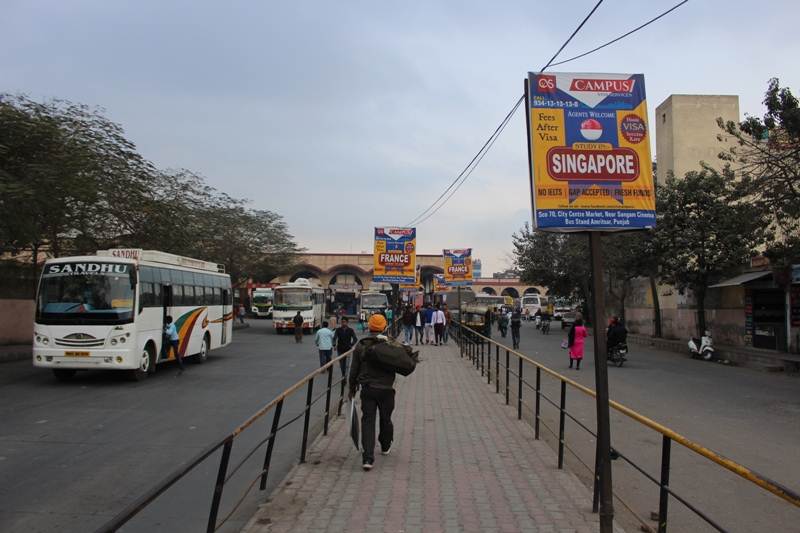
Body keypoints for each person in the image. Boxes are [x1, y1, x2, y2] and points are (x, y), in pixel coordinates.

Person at [349, 313, 395, 471]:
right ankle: (385, 444)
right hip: (387, 390)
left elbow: (353, 369)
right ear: (384, 327)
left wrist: (351, 388)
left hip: (368, 389)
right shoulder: (390, 344)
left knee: (368, 421)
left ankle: (368, 457)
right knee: (386, 418)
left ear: (369, 327)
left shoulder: (361, 345)